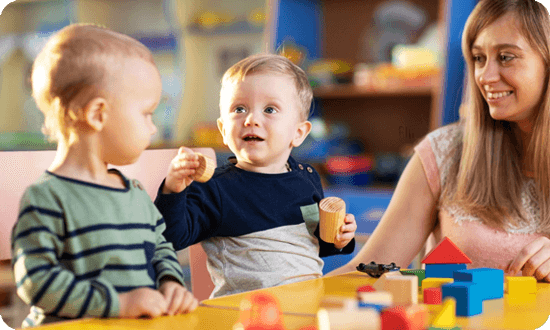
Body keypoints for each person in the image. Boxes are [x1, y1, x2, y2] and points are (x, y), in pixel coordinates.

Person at [328, 0, 550, 282]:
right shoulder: (443, 152)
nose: (485, 76)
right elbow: (367, 270)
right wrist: (290, 298)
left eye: (506, 57)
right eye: (479, 58)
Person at [11, 24, 198, 327]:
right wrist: (118, 304)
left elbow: (160, 248)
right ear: (98, 114)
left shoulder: (135, 193)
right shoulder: (47, 198)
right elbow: (36, 280)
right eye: (147, 114)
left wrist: (171, 284)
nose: (153, 128)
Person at [154, 53, 357, 297]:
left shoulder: (306, 178)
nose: (251, 119)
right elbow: (171, 238)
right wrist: (173, 190)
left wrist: (339, 239)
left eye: (270, 109)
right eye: (239, 109)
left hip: (306, 307)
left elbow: (314, 245)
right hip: (243, 315)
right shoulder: (214, 187)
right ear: (223, 130)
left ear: (299, 133)